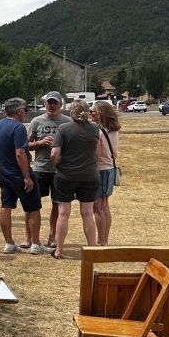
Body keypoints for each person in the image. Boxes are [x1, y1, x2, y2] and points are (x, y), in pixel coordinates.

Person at [0, 99, 45, 254]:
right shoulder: (18, 127)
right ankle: (36, 244)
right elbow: (20, 153)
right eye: (24, 109)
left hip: (3, 173)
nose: (25, 112)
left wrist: (0, 161)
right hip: (19, 174)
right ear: (19, 111)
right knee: (33, 208)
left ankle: (9, 243)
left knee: (6, 206)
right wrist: (27, 177)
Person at [50, 99, 100, 260]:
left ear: (71, 112)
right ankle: (92, 249)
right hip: (90, 175)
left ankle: (59, 249)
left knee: (63, 213)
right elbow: (98, 155)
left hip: (66, 175)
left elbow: (54, 153)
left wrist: (57, 165)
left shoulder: (64, 128)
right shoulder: (94, 129)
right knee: (87, 213)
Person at [26, 92, 71, 249]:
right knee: (32, 204)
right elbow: (26, 145)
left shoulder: (67, 122)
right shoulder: (37, 121)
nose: (52, 106)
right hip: (40, 168)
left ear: (60, 105)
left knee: (57, 204)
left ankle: (52, 236)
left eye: (55, 103)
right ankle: (29, 237)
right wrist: (40, 142)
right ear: (44, 104)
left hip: (60, 170)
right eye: (49, 103)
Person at [91, 100, 121, 245]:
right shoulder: (112, 130)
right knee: (104, 207)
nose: (90, 113)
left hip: (101, 170)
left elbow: (98, 154)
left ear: (100, 114)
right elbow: (114, 153)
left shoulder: (99, 131)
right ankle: (104, 239)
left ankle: (101, 241)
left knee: (97, 208)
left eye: (93, 111)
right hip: (109, 169)